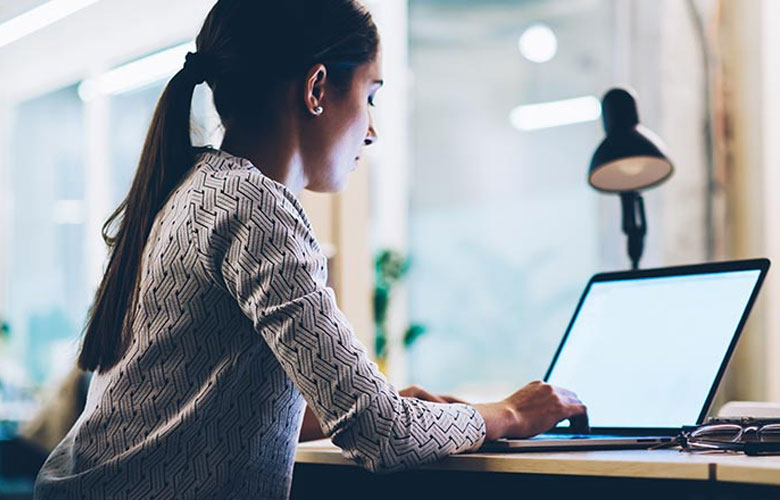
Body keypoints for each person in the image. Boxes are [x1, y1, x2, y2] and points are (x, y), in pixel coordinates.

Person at [34, 1, 588, 498]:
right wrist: (509, 412)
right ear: (317, 88)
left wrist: (363, 406)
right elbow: (381, 435)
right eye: (370, 96)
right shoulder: (256, 206)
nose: (372, 130)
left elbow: (201, 402)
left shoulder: (198, 189)